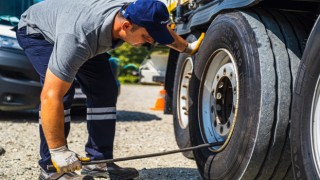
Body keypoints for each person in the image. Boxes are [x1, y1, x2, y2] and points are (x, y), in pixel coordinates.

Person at [16, 0, 203, 179]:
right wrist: (59, 151)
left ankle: (98, 161)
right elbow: (50, 96)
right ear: (126, 26)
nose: (149, 42)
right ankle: (52, 169)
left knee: (105, 89)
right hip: (37, 30)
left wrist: (188, 48)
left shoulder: (133, 15)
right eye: (147, 37)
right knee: (63, 92)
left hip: (79, 24)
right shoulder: (78, 38)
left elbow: (162, 33)